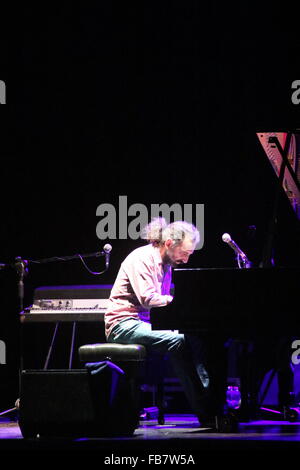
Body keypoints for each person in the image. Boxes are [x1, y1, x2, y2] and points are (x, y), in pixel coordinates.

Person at [104, 217, 225, 427]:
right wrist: (181, 302)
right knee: (179, 341)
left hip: (145, 324)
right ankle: (206, 412)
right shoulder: (142, 258)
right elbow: (148, 299)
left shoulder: (167, 265)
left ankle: (213, 404)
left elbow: (164, 309)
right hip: (123, 324)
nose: (186, 260)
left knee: (199, 337)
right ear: (169, 243)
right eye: (184, 253)